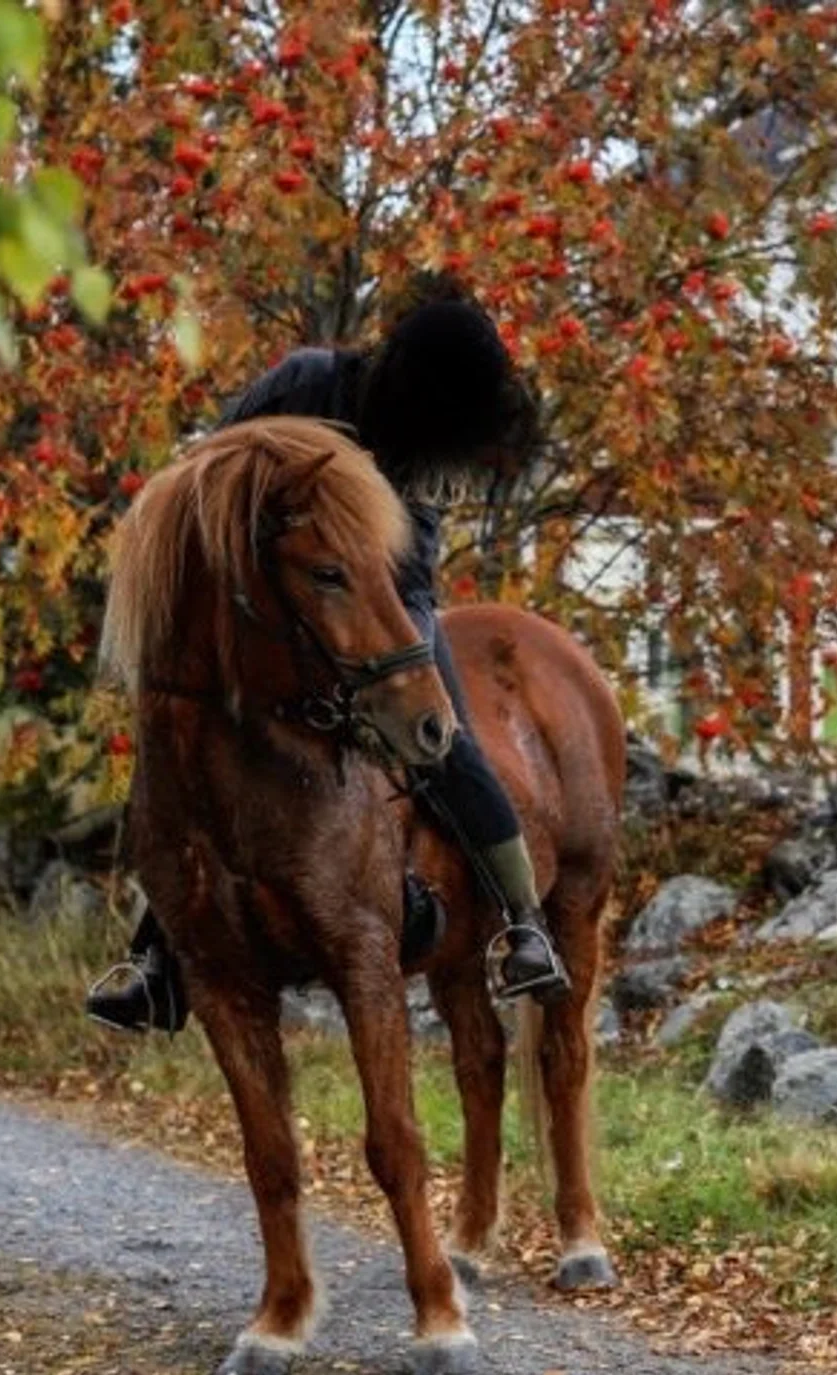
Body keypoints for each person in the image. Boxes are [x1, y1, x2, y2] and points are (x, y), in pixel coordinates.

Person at [86, 275, 569, 1033]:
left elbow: (409, 556)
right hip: (271, 601)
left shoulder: (430, 448)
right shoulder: (305, 380)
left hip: (387, 593)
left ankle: (521, 919)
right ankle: (158, 955)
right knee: (184, 741)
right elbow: (208, 463)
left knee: (443, 740)